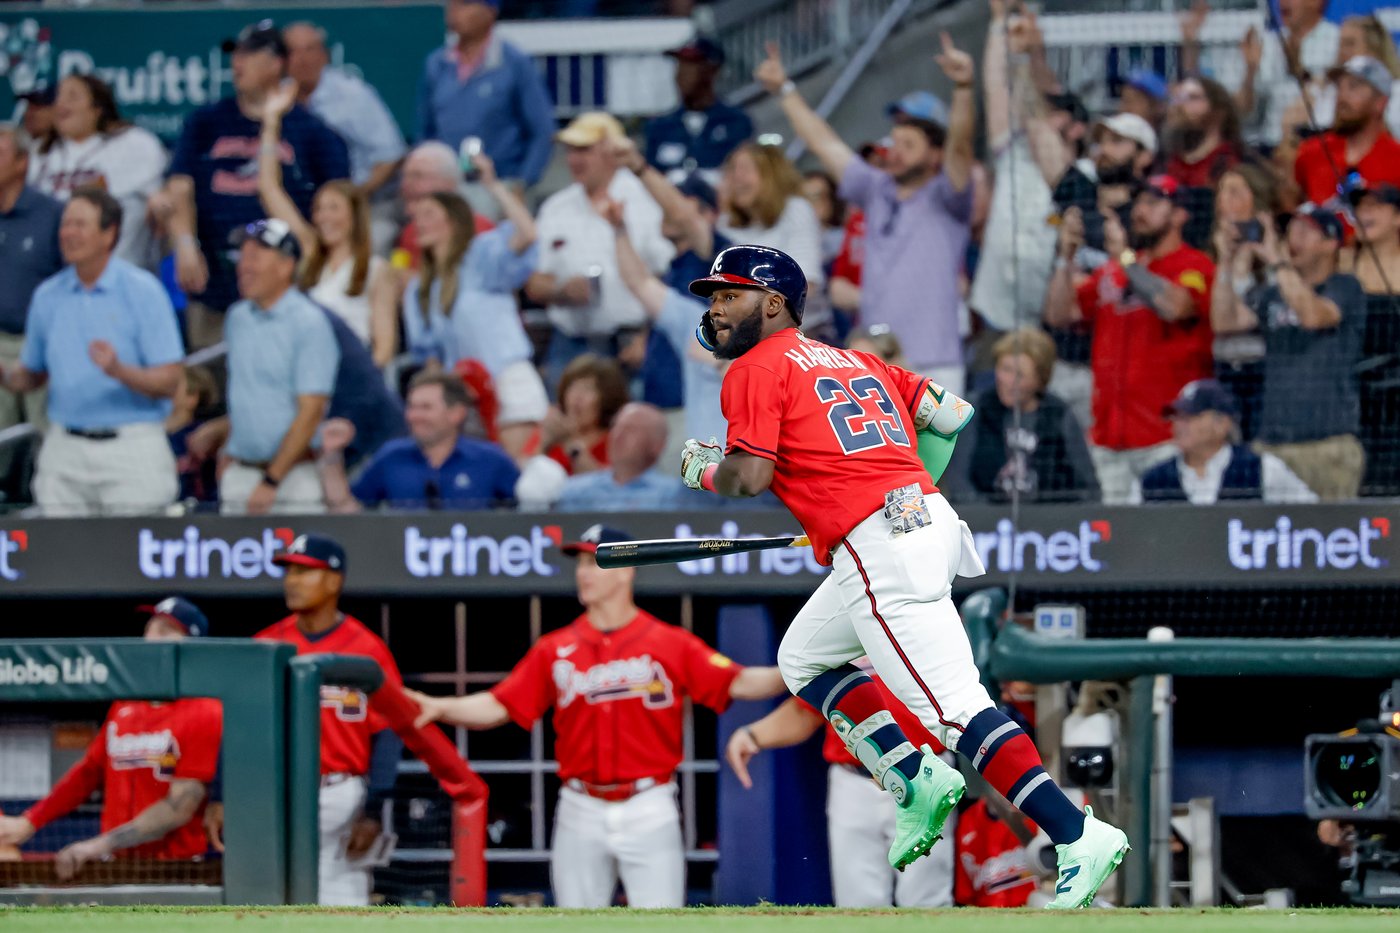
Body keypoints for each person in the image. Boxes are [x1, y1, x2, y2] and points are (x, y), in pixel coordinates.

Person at [679, 244, 1129, 909]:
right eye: (713, 297)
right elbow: (950, 415)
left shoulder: (754, 366)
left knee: (955, 710)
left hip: (883, 542)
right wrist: (896, 490)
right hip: (917, 522)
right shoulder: (855, 358)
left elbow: (749, 477)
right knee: (803, 657)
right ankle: (912, 774)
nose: (716, 308)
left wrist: (702, 470)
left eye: (728, 294)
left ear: (772, 303)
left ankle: (1076, 834)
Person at [409, 523, 787, 908]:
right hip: (580, 806)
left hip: (648, 803)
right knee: (576, 924)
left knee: (661, 923)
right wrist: (439, 706)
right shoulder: (555, 648)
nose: (583, 573)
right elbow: (500, 705)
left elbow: (740, 682)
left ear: (626, 569)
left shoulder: (668, 642)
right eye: (581, 563)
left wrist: (799, 670)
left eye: (595, 561)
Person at [755, 38, 976, 389]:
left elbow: (961, 148)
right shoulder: (876, 189)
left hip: (934, 363)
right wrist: (784, 89)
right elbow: (824, 143)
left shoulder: (949, 198)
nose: (894, 152)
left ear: (936, 154)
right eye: (894, 142)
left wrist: (963, 88)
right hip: (874, 361)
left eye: (909, 145)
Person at [151, 20, 349, 349]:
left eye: (249, 54)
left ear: (276, 64)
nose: (237, 62)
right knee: (209, 380)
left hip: (283, 286)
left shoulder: (312, 132)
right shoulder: (206, 121)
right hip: (213, 278)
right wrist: (184, 243)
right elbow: (179, 185)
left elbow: (339, 201)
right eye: (235, 54)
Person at [0, 599, 221, 878]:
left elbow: (178, 809)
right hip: (116, 866)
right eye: (149, 629)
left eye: (165, 631)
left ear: (191, 646)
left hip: (176, 867)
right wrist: (29, 822)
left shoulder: (206, 710)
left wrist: (97, 844)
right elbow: (87, 773)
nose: (150, 639)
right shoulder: (126, 705)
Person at [4, 188, 183, 517]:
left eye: (80, 224)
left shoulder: (144, 292)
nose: (68, 233)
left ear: (109, 233)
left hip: (132, 447)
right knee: (62, 558)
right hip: (64, 447)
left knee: (131, 558)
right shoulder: (47, 295)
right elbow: (33, 374)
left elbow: (170, 381)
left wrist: (119, 370)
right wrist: (4, 374)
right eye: (65, 224)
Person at [248, 534, 403, 906]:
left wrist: (374, 808)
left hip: (340, 794)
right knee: (271, 904)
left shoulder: (367, 648)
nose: (292, 581)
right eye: (289, 571)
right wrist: (223, 796)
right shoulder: (265, 645)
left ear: (335, 580)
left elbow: (390, 731)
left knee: (343, 906)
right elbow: (240, 731)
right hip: (277, 793)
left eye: (305, 572)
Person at [1044, 175, 1216, 504]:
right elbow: (1059, 314)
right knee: (1116, 544)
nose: (1140, 211)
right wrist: (1065, 258)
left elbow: (1175, 307)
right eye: (1138, 203)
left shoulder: (1193, 264)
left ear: (1179, 214)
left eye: (1153, 203)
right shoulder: (1112, 270)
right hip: (1109, 439)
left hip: (1167, 438)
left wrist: (1125, 257)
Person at [726, 666, 955, 908]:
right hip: (853, 780)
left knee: (927, 902)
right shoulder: (836, 632)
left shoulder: (926, 630)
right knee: (857, 906)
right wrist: (753, 736)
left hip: (921, 773)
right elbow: (808, 710)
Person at [1211, 202, 1367, 500]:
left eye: (1306, 231)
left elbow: (1313, 316)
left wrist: (1276, 262)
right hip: (1273, 442)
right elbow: (1224, 321)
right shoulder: (1274, 294)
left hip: (1327, 442)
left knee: (1329, 535)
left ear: (1330, 243)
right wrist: (1226, 262)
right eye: (1292, 229)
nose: (1293, 238)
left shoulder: (1345, 287)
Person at [526, 112, 674, 389]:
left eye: (584, 150)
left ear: (613, 152)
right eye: (570, 150)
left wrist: (651, 337)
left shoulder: (645, 202)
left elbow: (669, 275)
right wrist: (561, 291)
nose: (573, 159)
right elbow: (534, 281)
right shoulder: (555, 208)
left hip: (632, 343)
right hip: (571, 344)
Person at [402, 178, 545, 460]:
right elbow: (431, 358)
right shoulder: (419, 291)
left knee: (520, 475)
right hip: (463, 396)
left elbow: (527, 234)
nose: (419, 222)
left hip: (507, 381)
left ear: (454, 220)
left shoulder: (480, 258)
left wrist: (492, 185)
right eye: (417, 216)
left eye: (429, 214)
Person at [257, 79, 398, 367]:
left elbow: (384, 347)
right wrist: (271, 122)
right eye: (319, 209)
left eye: (334, 208)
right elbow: (269, 189)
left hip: (352, 380)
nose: (324, 217)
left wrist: (358, 387)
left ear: (354, 215)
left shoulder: (375, 270)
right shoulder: (311, 256)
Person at [608, 140, 732, 451]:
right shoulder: (676, 268)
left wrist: (639, 167)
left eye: (679, 201)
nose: (667, 209)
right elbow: (639, 283)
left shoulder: (716, 257)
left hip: (701, 409)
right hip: (664, 399)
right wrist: (619, 231)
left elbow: (688, 220)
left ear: (710, 214)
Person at [220, 218, 340, 514]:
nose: (244, 266)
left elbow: (311, 410)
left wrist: (272, 480)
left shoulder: (309, 323)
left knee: (298, 560)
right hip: (240, 472)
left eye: (255, 257)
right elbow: (247, 392)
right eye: (242, 256)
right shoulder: (237, 318)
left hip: (292, 480)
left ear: (286, 266)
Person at [969, 2, 1059, 332]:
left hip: (1049, 320)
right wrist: (997, 24)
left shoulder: (1081, 175)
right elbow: (996, 89)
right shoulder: (1015, 157)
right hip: (994, 313)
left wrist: (1031, 57)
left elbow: (1041, 103)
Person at [322, 370, 519, 511]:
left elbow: (528, 512)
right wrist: (332, 456)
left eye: (425, 407)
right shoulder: (391, 457)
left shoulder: (491, 460)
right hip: (400, 561)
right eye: (411, 407)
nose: (414, 416)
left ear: (456, 414)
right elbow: (348, 512)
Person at [942, 327, 1099, 504]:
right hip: (985, 522)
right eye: (1005, 369)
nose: (1009, 381)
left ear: (1040, 380)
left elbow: (1086, 487)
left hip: (1048, 524)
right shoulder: (976, 409)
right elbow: (959, 480)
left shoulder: (1059, 416)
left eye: (1020, 375)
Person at [416, 0, 555, 197]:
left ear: (490, 11)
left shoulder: (515, 63)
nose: (454, 12)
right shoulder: (436, 64)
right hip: (446, 189)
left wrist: (522, 182)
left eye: (465, 4)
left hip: (500, 184)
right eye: (452, 4)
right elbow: (425, 131)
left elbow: (542, 131)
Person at [26, 74, 167, 268]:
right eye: (57, 98)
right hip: (53, 274)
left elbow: (161, 201)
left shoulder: (134, 143)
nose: (61, 104)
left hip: (120, 270)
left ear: (97, 109)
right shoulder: (38, 152)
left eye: (72, 97)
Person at [1131, 378, 1317, 504]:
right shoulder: (1152, 481)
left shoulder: (1260, 469)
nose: (1179, 425)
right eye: (1177, 417)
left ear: (1222, 424)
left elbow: (1311, 515)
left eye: (1191, 417)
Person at [1188, 0, 1338, 151]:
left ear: (1316, 2)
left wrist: (1298, 69)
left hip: (1314, 142)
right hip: (1267, 145)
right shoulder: (1267, 43)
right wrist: (1251, 71)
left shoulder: (1336, 41)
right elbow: (1244, 111)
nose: (1283, 3)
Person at [282, 22, 406, 200]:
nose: (303, 59)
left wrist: (351, 201)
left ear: (325, 55)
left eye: (310, 50)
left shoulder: (353, 94)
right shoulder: (277, 99)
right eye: (293, 51)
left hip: (363, 198)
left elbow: (389, 157)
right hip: (299, 200)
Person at [716, 142, 828, 336]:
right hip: (747, 336)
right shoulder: (726, 223)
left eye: (745, 169)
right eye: (732, 169)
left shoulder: (796, 209)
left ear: (771, 174)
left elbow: (808, 283)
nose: (736, 178)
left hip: (803, 333)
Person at [0, 124, 62, 452]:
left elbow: (70, 282)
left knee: (46, 441)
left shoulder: (51, 214)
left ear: (22, 162)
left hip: (39, 344)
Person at [1295, 56, 1400, 208]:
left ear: (1380, 103)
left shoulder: (1396, 159)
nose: (1342, 96)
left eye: (1353, 87)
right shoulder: (1311, 152)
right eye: (1339, 87)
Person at [644, 37, 753, 183]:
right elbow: (650, 176)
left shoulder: (737, 123)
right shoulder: (659, 127)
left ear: (711, 70)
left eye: (691, 65)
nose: (681, 73)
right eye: (679, 65)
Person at [555, 402, 685, 512]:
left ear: (657, 444)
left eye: (631, 430)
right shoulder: (574, 492)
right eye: (616, 426)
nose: (618, 435)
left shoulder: (675, 496)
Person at [1162, 76, 1245, 190]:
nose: (1180, 105)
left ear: (1219, 109)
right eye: (1178, 98)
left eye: (1193, 97)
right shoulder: (1169, 156)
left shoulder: (1228, 160)